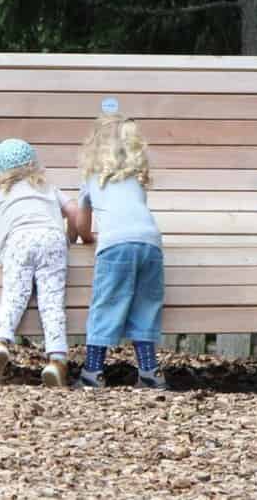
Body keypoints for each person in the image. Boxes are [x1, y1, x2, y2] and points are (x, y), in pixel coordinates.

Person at [75, 112, 168, 389]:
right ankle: (150, 371)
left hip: (115, 245)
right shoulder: (137, 178)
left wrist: (87, 238)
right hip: (150, 242)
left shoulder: (93, 179)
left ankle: (93, 370)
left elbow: (82, 224)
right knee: (145, 306)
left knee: (106, 304)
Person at [0, 138, 79, 387]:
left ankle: (0, 343)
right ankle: (57, 360)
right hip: (52, 241)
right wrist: (70, 237)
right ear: (32, 165)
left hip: (18, 242)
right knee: (52, 302)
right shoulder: (46, 186)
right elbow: (74, 211)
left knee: (13, 296)